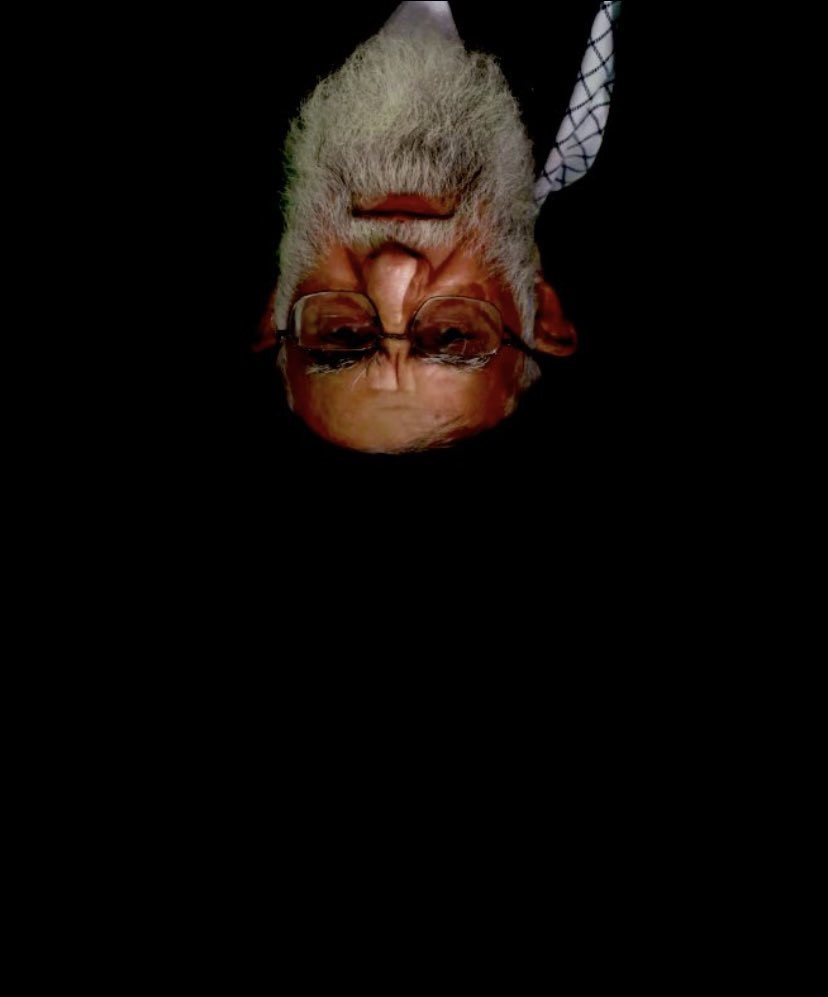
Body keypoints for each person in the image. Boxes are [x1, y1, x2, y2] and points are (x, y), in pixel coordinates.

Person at [255, 1, 621, 454]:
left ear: (275, 308)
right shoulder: (588, 121)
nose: (393, 268)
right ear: (541, 312)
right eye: (452, 334)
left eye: (342, 333)